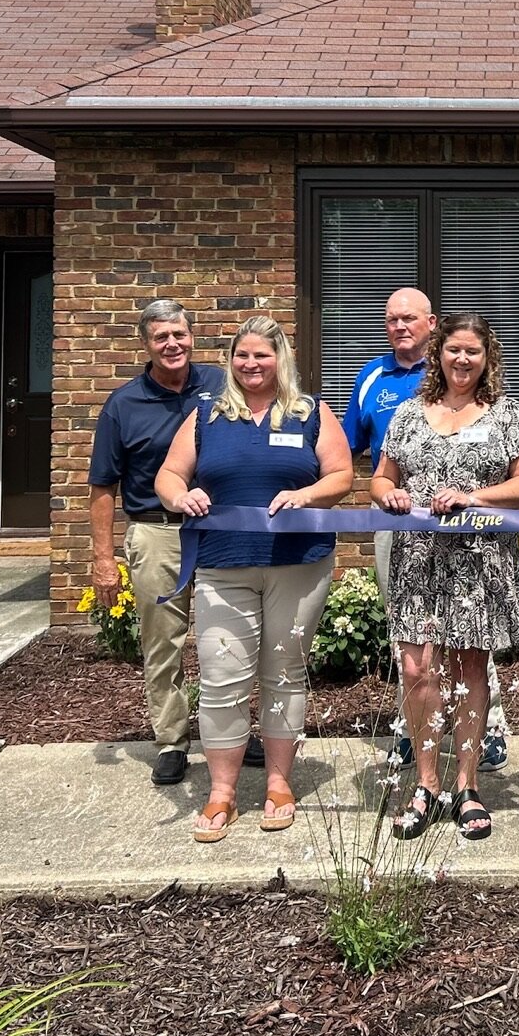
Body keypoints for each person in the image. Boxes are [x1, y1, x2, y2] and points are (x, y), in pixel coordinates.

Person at [155, 316, 353, 842]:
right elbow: (168, 475)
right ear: (230, 361)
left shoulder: (310, 412)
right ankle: (221, 792)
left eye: (261, 354)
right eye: (241, 355)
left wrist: (306, 495)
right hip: (223, 565)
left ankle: (279, 784)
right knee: (222, 677)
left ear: (280, 357)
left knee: (284, 671)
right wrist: (180, 496)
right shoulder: (207, 414)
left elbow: (341, 475)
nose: (251, 364)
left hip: (299, 564)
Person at [371, 314, 519, 842]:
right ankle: (426, 784)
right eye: (453, 350)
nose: (462, 360)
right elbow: (380, 478)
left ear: (487, 358)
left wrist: (474, 497)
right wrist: (390, 494)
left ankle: (467, 786)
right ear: (437, 354)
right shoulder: (408, 413)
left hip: (478, 560)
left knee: (470, 669)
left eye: (473, 351)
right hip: (418, 560)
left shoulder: (507, 413)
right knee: (417, 669)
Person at [343, 287, 510, 772]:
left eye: (409, 318)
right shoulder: (372, 378)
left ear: (431, 324)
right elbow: (355, 452)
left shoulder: (473, 382)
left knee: (471, 639)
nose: (399, 327)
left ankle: (487, 729)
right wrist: (383, 492)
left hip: (472, 538)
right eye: (391, 319)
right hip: (403, 529)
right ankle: (413, 728)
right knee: (411, 638)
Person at [87, 299, 227, 787]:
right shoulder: (123, 405)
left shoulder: (220, 386)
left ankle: (227, 733)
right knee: (163, 640)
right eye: (161, 337)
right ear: (145, 344)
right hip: (156, 530)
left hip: (219, 529)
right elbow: (102, 487)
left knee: (228, 637)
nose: (172, 344)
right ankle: (172, 739)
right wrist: (104, 559)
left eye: (179, 334)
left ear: (192, 337)